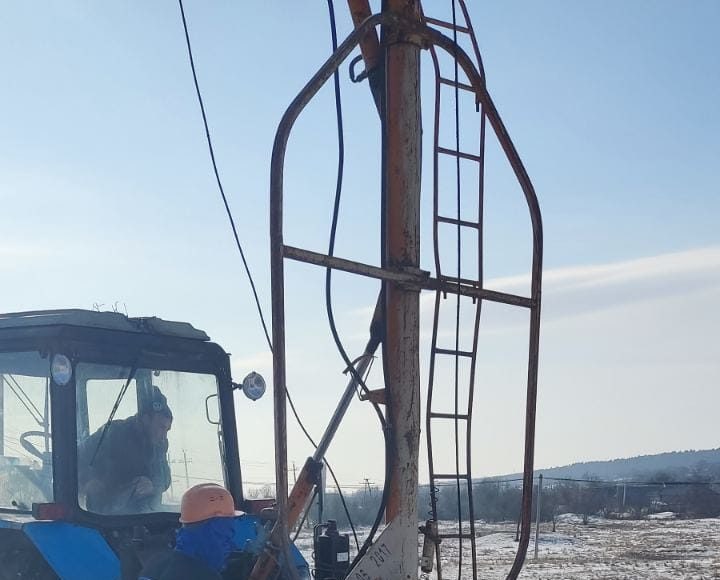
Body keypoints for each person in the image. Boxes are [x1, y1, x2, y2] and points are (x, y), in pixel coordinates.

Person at [78, 385, 172, 514]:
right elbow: (77, 458)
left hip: (147, 515)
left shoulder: (159, 445)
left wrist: (152, 485)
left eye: (167, 429)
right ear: (146, 419)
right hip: (104, 517)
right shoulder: (113, 433)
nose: (164, 435)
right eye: (161, 427)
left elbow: (165, 478)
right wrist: (88, 481)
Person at [139, 483, 240, 580]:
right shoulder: (204, 576)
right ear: (208, 534)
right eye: (225, 539)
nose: (231, 547)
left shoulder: (156, 564)